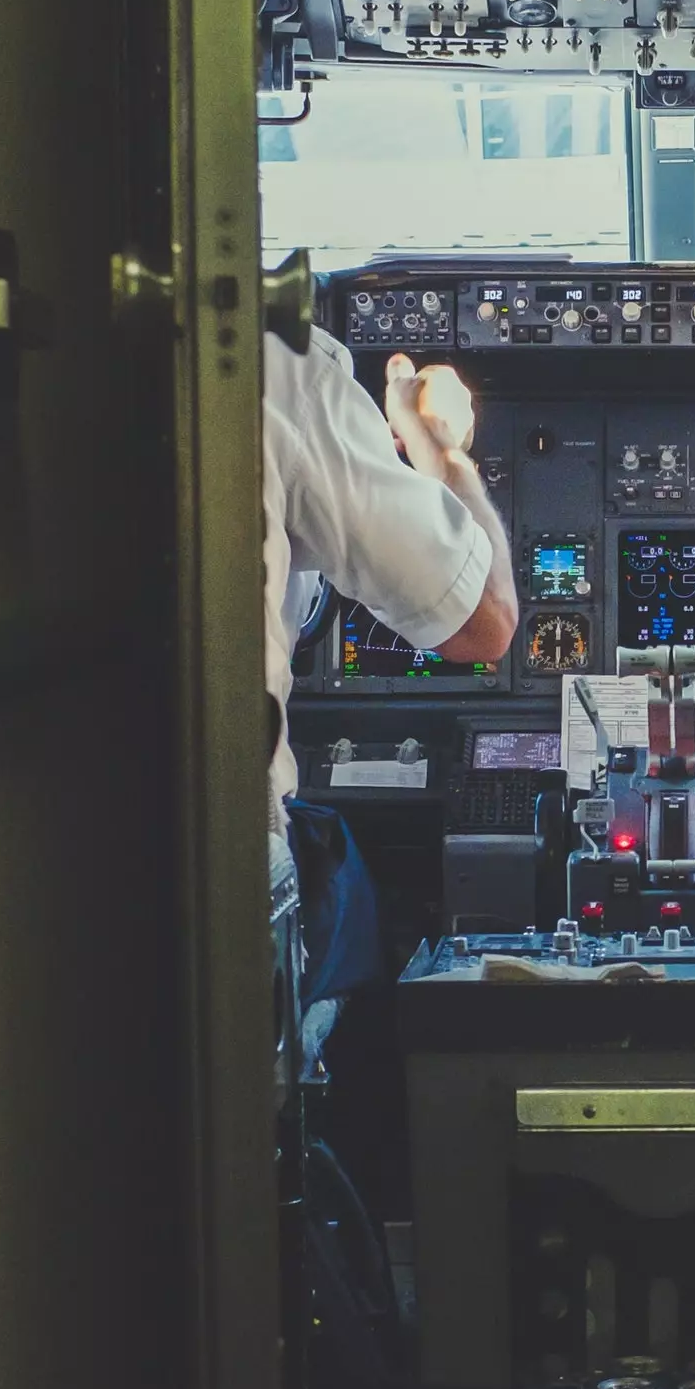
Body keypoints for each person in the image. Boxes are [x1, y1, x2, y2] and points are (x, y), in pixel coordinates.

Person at [264, 326, 520, 1058]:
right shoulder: (280, 363)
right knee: (358, 910)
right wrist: (436, 444)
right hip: (230, 849)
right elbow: (487, 621)